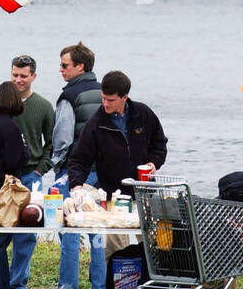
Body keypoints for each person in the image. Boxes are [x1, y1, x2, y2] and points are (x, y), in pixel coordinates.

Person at [0, 54, 55, 289]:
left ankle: (17, 286)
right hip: (1, 180)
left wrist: (40, 168)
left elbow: (52, 143)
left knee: (25, 235)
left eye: (23, 76)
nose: (18, 79)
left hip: (29, 175)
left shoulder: (44, 107)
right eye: (14, 75)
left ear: (33, 76)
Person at [51, 42, 105, 289]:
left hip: (74, 173)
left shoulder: (69, 96)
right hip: (103, 174)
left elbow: (62, 137)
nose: (60, 70)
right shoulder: (106, 92)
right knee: (98, 234)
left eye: (64, 65)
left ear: (79, 67)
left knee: (70, 230)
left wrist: (58, 166)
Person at [66, 70, 168, 198]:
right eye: (103, 98)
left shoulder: (143, 113)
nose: (105, 104)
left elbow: (159, 143)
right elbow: (78, 160)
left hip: (145, 194)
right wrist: (77, 186)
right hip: (111, 196)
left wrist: (154, 162)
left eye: (111, 100)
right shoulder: (95, 124)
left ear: (124, 97)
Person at [0, 81, 32, 289]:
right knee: (0, 241)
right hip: (3, 190)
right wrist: (26, 152)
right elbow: (15, 161)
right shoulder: (10, 127)